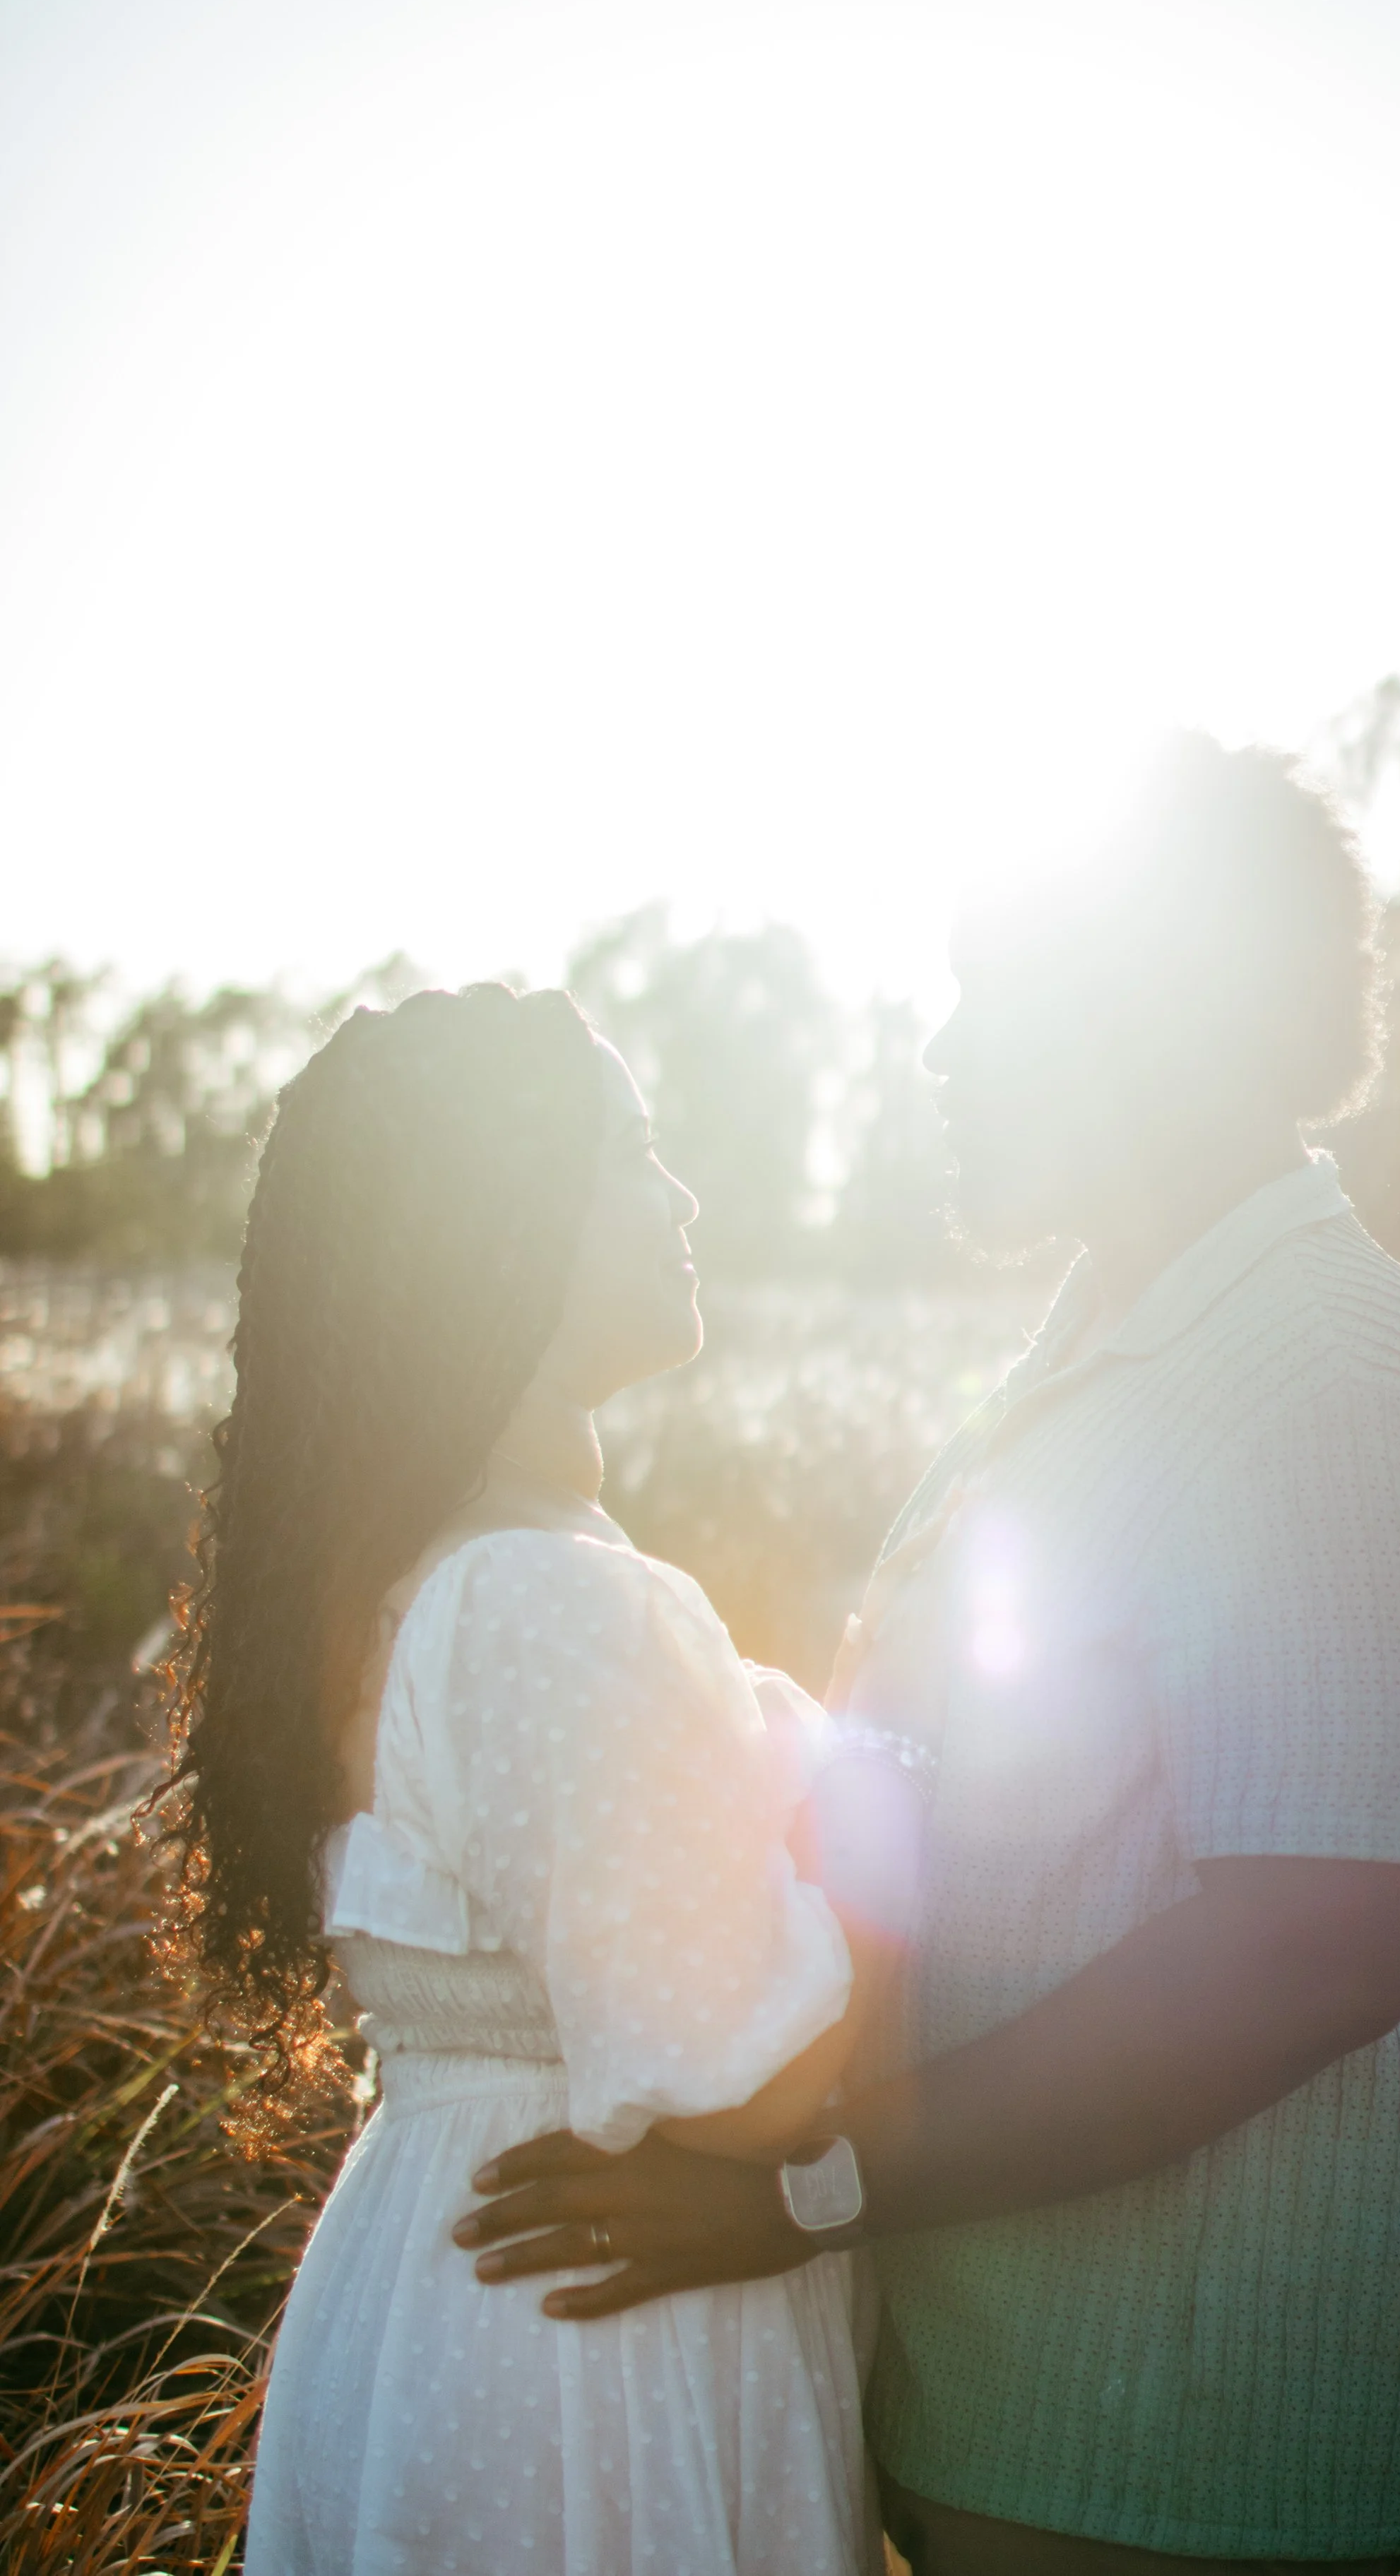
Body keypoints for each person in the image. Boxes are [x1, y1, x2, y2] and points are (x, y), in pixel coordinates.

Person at [454, 737, 1400, 2571]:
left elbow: (1302, 1948)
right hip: (999, 2389)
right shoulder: (1086, 1357)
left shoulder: (1337, 1394)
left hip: (1188, 2445)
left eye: (999, 999)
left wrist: (809, 2185)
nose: (943, 1053)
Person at [160, 984, 882, 2576]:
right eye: (631, 1151)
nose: (681, 1193)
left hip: (458, 2307)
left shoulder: (411, 1578)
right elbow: (744, 2079)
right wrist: (898, 1827)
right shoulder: (544, 1598)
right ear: (501, 1222)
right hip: (582, 2365)